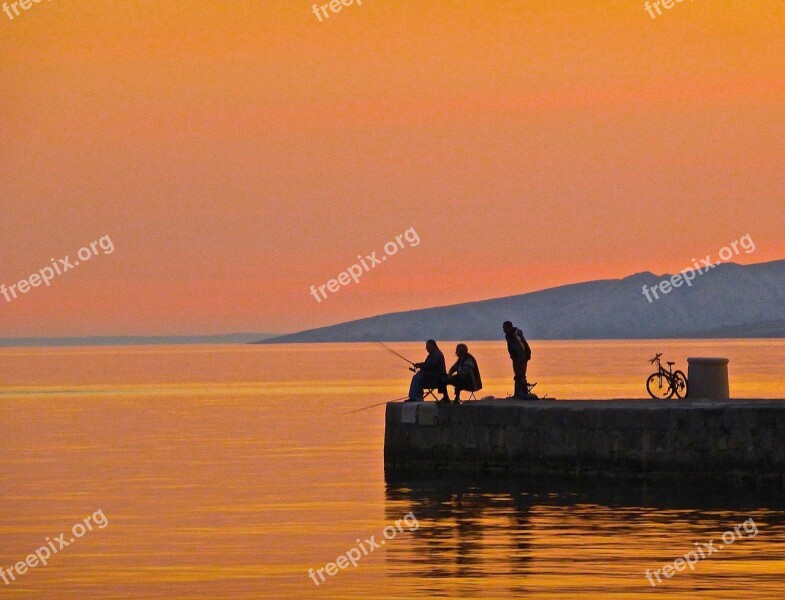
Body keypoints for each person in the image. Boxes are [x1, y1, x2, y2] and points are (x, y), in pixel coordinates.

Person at [503, 321, 531, 399]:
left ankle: (521, 392)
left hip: (520, 358)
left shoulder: (514, 336)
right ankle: (519, 392)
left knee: (519, 375)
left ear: (509, 327)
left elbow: (521, 347)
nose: (503, 329)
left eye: (504, 327)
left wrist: (521, 359)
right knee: (519, 375)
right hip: (516, 357)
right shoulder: (511, 335)